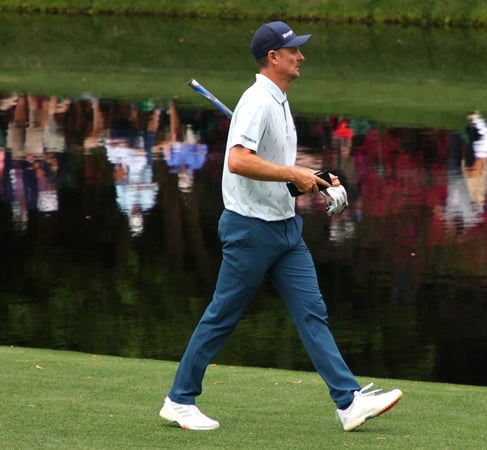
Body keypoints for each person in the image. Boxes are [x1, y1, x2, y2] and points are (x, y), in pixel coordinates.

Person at [159, 20, 402, 432]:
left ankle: (348, 403)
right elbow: (238, 161)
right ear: (274, 58)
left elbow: (274, 171)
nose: (301, 56)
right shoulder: (257, 102)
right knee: (223, 316)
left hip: (285, 230)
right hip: (250, 230)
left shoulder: (278, 101)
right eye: (294, 51)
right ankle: (179, 400)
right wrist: (293, 172)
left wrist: (316, 182)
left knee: (313, 313)